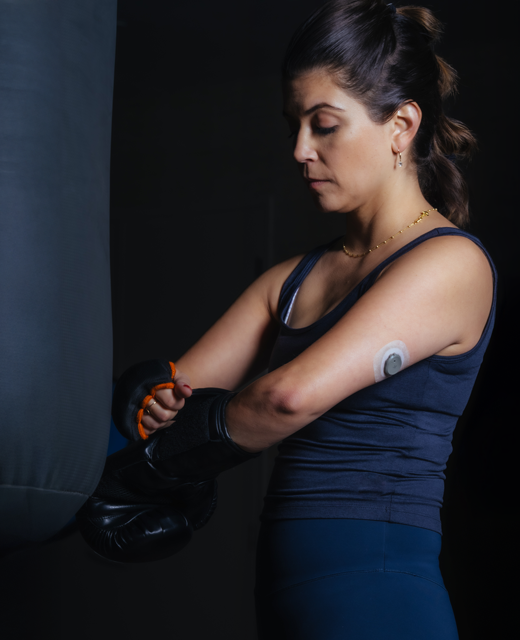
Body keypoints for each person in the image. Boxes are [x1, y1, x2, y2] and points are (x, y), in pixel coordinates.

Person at [86, 1, 492, 637]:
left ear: (401, 125)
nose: (300, 149)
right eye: (293, 124)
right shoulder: (291, 280)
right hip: (282, 600)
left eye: (324, 125)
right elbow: (166, 398)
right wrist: (140, 407)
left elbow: (285, 398)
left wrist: (158, 466)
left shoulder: (449, 264)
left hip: (382, 597)